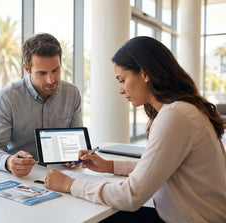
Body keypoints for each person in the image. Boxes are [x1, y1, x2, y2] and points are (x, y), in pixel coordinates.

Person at [44, 36, 226, 222]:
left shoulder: (175, 115)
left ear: (145, 74)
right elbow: (157, 167)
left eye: (122, 80)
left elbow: (130, 196)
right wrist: (110, 166)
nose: (120, 90)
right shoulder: (183, 109)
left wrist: (70, 184)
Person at [0, 33, 83, 177]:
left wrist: (75, 155)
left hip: (59, 176)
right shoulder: (7, 98)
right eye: (42, 73)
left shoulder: (72, 94)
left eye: (55, 70)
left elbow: (76, 143)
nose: (51, 80)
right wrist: (9, 161)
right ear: (27, 69)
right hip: (20, 178)